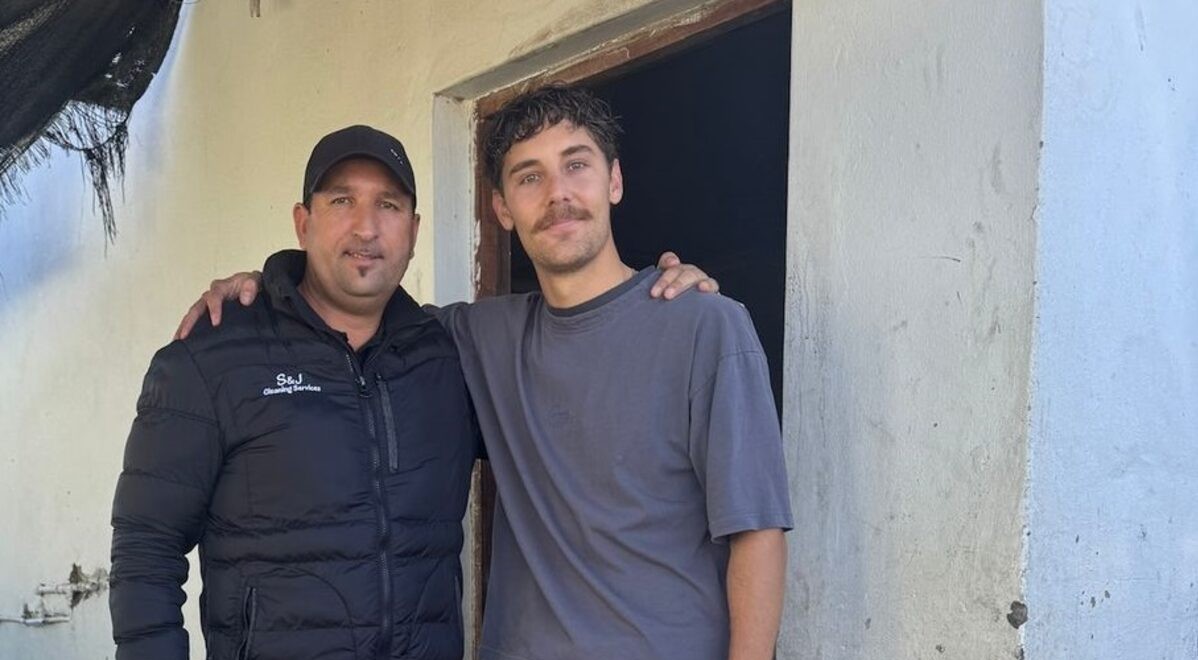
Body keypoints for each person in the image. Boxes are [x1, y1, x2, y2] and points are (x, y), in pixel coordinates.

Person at [180, 84, 791, 660]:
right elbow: (350, 304)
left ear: (615, 180)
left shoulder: (705, 326)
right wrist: (264, 290)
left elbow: (757, 531)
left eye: (577, 164)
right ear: (501, 207)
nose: (557, 194)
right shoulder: (475, 337)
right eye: (530, 177)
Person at [110, 126, 481, 660]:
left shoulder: (445, 359)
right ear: (303, 223)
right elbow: (147, 547)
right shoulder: (213, 357)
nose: (366, 227)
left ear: (415, 230)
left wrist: (644, 295)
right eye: (342, 201)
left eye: (389, 205)